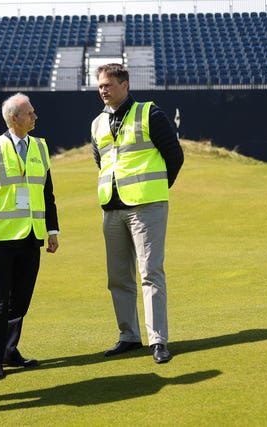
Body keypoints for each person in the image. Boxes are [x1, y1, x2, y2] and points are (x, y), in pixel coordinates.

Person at [90, 63, 184, 364]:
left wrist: (155, 189)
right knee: (118, 278)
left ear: (125, 85)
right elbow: (102, 161)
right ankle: (128, 336)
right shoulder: (97, 123)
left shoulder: (150, 114)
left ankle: (158, 340)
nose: (103, 90)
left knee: (150, 273)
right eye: (100, 85)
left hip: (147, 207)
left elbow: (175, 156)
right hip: (112, 208)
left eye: (108, 84)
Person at [0, 93, 60, 381]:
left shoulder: (40, 146)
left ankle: (10, 350)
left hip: (33, 235)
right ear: (14, 118)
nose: (35, 117)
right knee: (0, 301)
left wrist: (52, 230)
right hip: (3, 237)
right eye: (30, 113)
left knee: (21, 299)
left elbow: (47, 193)